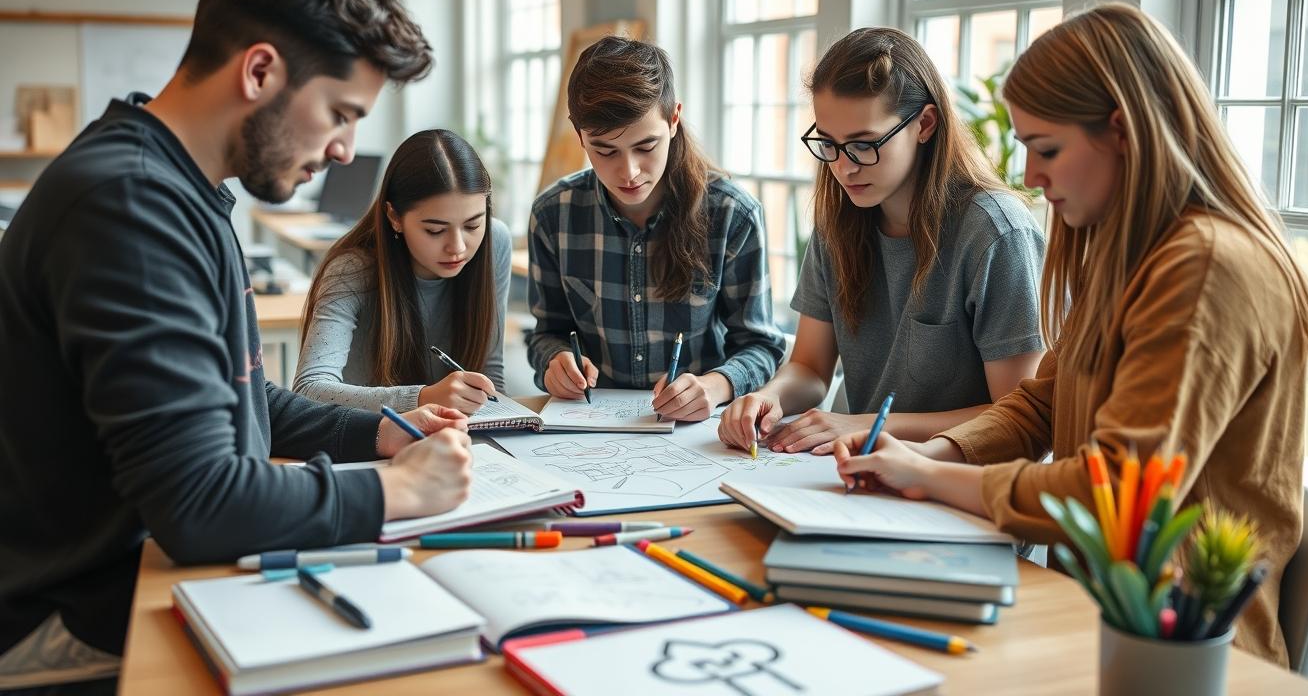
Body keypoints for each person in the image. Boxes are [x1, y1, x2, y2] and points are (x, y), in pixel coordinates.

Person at [0, 0, 475, 691]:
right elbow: (200, 502)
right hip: (71, 623)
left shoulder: (179, 189)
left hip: (137, 579)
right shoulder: (129, 207)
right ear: (260, 70)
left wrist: (379, 432)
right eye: (340, 113)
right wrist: (401, 490)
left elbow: (241, 401)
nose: (348, 150)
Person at [830, 3, 1308, 665]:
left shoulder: (1205, 266)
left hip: (1179, 648)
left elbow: (1119, 493)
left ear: (1122, 131)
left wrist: (929, 477)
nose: (1032, 176)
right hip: (1090, 610)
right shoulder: (1135, 252)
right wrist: (942, 455)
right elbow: (1044, 402)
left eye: (1046, 149)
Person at [719, 27, 1045, 454]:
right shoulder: (837, 220)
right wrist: (770, 397)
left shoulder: (996, 232)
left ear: (924, 124)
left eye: (864, 145)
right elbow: (811, 368)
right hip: (865, 471)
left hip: (964, 482)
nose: (843, 168)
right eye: (830, 145)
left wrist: (869, 425)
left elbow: (1017, 417)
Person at [526, 36, 786, 421]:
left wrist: (715, 386)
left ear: (674, 119)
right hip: (590, 429)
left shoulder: (733, 214)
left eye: (646, 146)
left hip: (696, 431)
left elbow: (761, 345)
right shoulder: (553, 215)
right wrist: (555, 361)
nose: (628, 172)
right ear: (578, 133)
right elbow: (546, 332)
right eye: (605, 150)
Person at [294, 129, 510, 414]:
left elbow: (489, 369)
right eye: (435, 230)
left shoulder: (495, 242)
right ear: (394, 217)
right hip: (368, 440)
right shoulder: (351, 270)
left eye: (472, 225)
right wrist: (423, 398)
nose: (457, 247)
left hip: (455, 440)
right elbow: (309, 389)